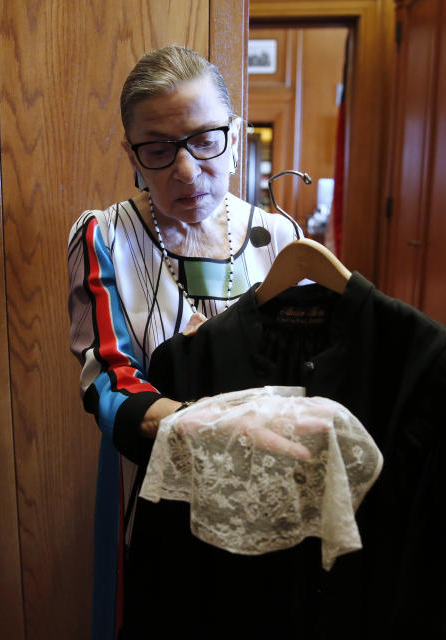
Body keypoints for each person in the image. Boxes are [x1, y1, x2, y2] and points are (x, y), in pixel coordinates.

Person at [67, 44, 301, 640]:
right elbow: (109, 378)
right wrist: (208, 425)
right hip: (160, 491)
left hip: (270, 484)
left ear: (236, 132)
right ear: (132, 154)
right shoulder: (106, 236)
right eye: (158, 148)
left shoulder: (280, 237)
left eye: (204, 139)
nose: (186, 169)